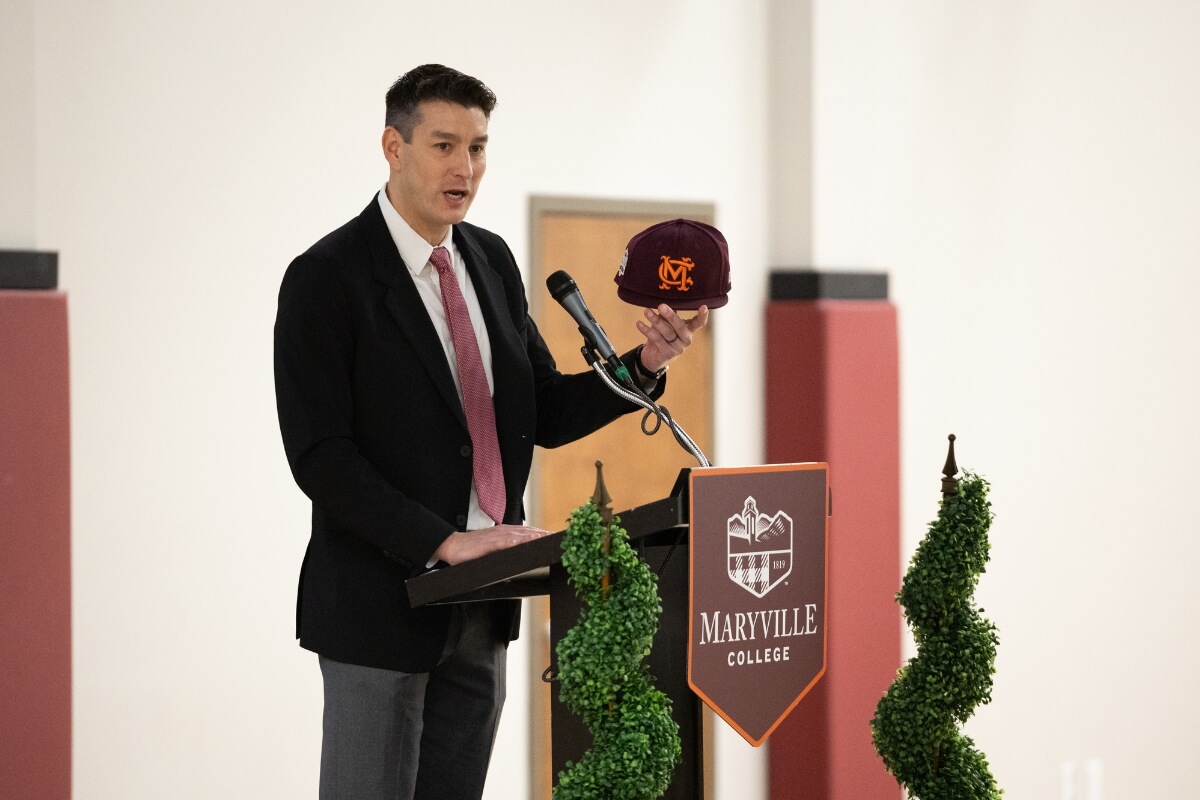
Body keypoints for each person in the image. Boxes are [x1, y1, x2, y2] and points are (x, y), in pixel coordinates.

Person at [273, 64, 709, 800]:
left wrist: (646, 362)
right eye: (444, 145)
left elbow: (544, 410)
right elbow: (321, 457)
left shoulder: (491, 261)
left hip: (482, 609)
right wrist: (445, 542)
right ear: (393, 147)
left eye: (478, 148)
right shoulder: (327, 277)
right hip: (382, 607)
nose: (465, 168)